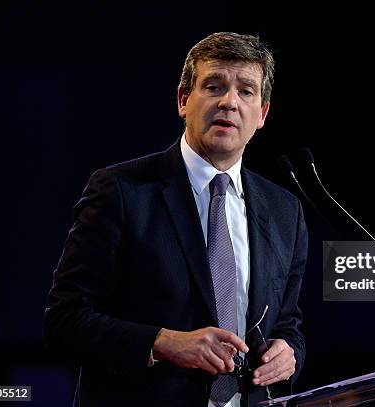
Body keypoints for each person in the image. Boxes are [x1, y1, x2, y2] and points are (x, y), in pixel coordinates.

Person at [43, 32, 308, 407]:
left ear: (262, 113)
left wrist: (289, 355)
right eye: (214, 86)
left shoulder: (284, 211)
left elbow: (287, 325)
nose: (229, 102)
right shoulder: (122, 191)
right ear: (184, 100)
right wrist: (162, 342)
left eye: (246, 91)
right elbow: (64, 322)